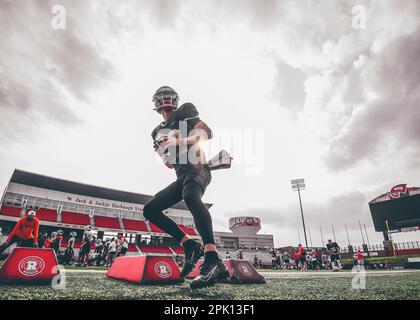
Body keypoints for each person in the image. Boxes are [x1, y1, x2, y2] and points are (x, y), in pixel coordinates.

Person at [144, 86, 227, 289]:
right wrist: (164, 151)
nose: (165, 99)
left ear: (175, 99)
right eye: (161, 97)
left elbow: (207, 133)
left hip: (198, 167)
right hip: (181, 175)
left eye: (169, 95)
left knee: (190, 196)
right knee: (150, 209)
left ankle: (213, 259)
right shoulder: (155, 131)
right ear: (155, 105)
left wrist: (179, 140)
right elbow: (169, 164)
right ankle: (189, 244)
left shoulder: (185, 111)